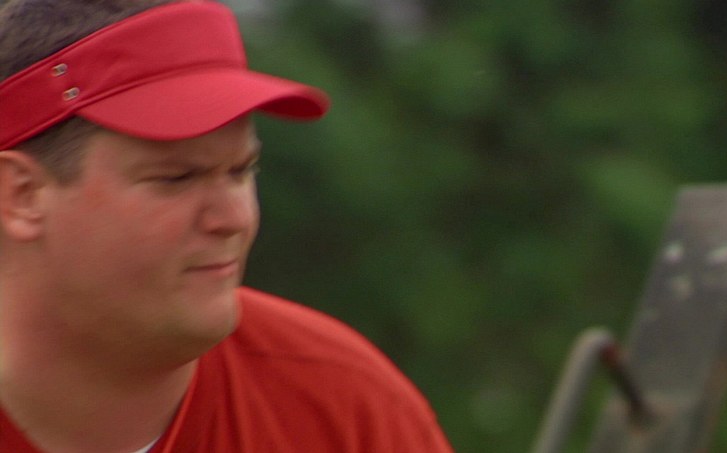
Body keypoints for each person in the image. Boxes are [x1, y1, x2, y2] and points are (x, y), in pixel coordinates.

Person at [0, 0, 454, 452]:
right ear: (22, 196)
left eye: (240, 171)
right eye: (177, 178)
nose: (233, 219)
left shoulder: (346, 405)